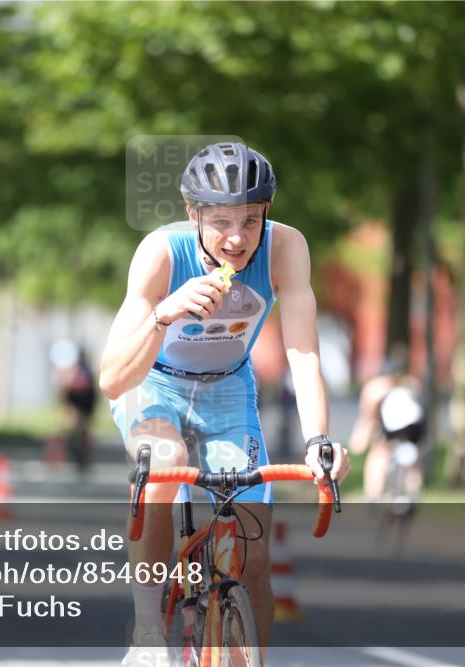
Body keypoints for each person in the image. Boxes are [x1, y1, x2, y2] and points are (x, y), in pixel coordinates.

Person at [99, 142, 350, 665]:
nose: (237, 238)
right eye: (219, 222)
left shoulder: (287, 248)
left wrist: (319, 440)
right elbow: (112, 379)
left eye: (250, 221)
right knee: (164, 463)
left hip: (228, 389)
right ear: (193, 214)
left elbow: (303, 352)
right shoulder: (162, 253)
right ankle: (148, 631)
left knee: (254, 559)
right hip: (156, 383)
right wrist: (164, 315)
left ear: (267, 214)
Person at [348, 356, 426, 503]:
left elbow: (368, 418)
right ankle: (413, 496)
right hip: (413, 429)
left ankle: (374, 496)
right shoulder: (412, 384)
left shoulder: (375, 388)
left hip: (395, 429)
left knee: (379, 453)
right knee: (413, 460)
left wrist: (361, 438)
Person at [53, 342, 98, 473]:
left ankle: (82, 457)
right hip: (75, 403)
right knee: (73, 431)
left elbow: (88, 389)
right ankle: (76, 454)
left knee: (82, 431)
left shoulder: (83, 371)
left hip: (83, 404)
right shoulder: (72, 369)